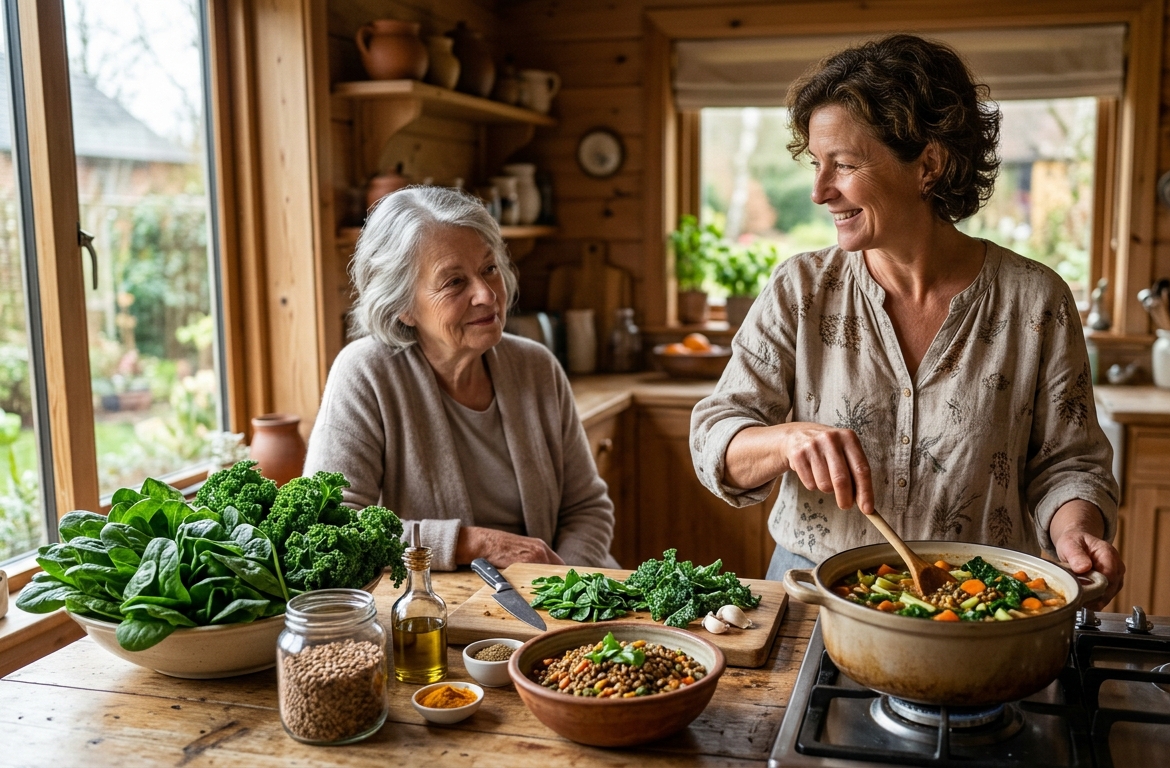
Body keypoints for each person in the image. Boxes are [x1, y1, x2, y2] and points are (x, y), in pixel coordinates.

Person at [689, 34, 1122, 604]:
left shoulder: (1035, 301)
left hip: (972, 599)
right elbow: (715, 437)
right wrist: (786, 440)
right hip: (817, 592)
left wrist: (1076, 532)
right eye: (817, 164)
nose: (820, 191)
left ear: (930, 165)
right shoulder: (800, 289)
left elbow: (1070, 463)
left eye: (843, 165)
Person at [305, 186, 616, 570]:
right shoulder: (365, 374)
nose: (486, 294)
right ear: (403, 306)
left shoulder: (537, 367)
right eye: (454, 282)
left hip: (552, 594)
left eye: (489, 268)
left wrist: (563, 585)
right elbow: (334, 526)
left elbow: (587, 508)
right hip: (436, 608)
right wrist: (470, 544)